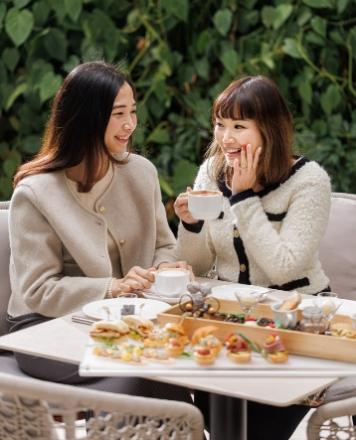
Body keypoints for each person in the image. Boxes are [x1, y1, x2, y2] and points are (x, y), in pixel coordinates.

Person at [7, 61, 189, 402]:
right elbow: (37, 290)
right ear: (87, 117)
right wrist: (111, 288)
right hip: (45, 329)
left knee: (187, 359)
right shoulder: (35, 194)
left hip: (130, 323)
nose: (130, 124)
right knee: (155, 371)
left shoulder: (141, 173)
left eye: (133, 111)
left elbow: (166, 246)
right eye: (118, 113)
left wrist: (164, 269)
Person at [174, 75, 332, 439]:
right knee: (211, 420)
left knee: (256, 431)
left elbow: (284, 265)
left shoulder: (309, 182)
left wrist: (244, 199)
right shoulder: (212, 173)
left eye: (239, 126)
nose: (225, 138)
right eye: (220, 124)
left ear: (269, 131)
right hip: (229, 321)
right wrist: (191, 225)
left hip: (298, 326)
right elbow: (195, 268)